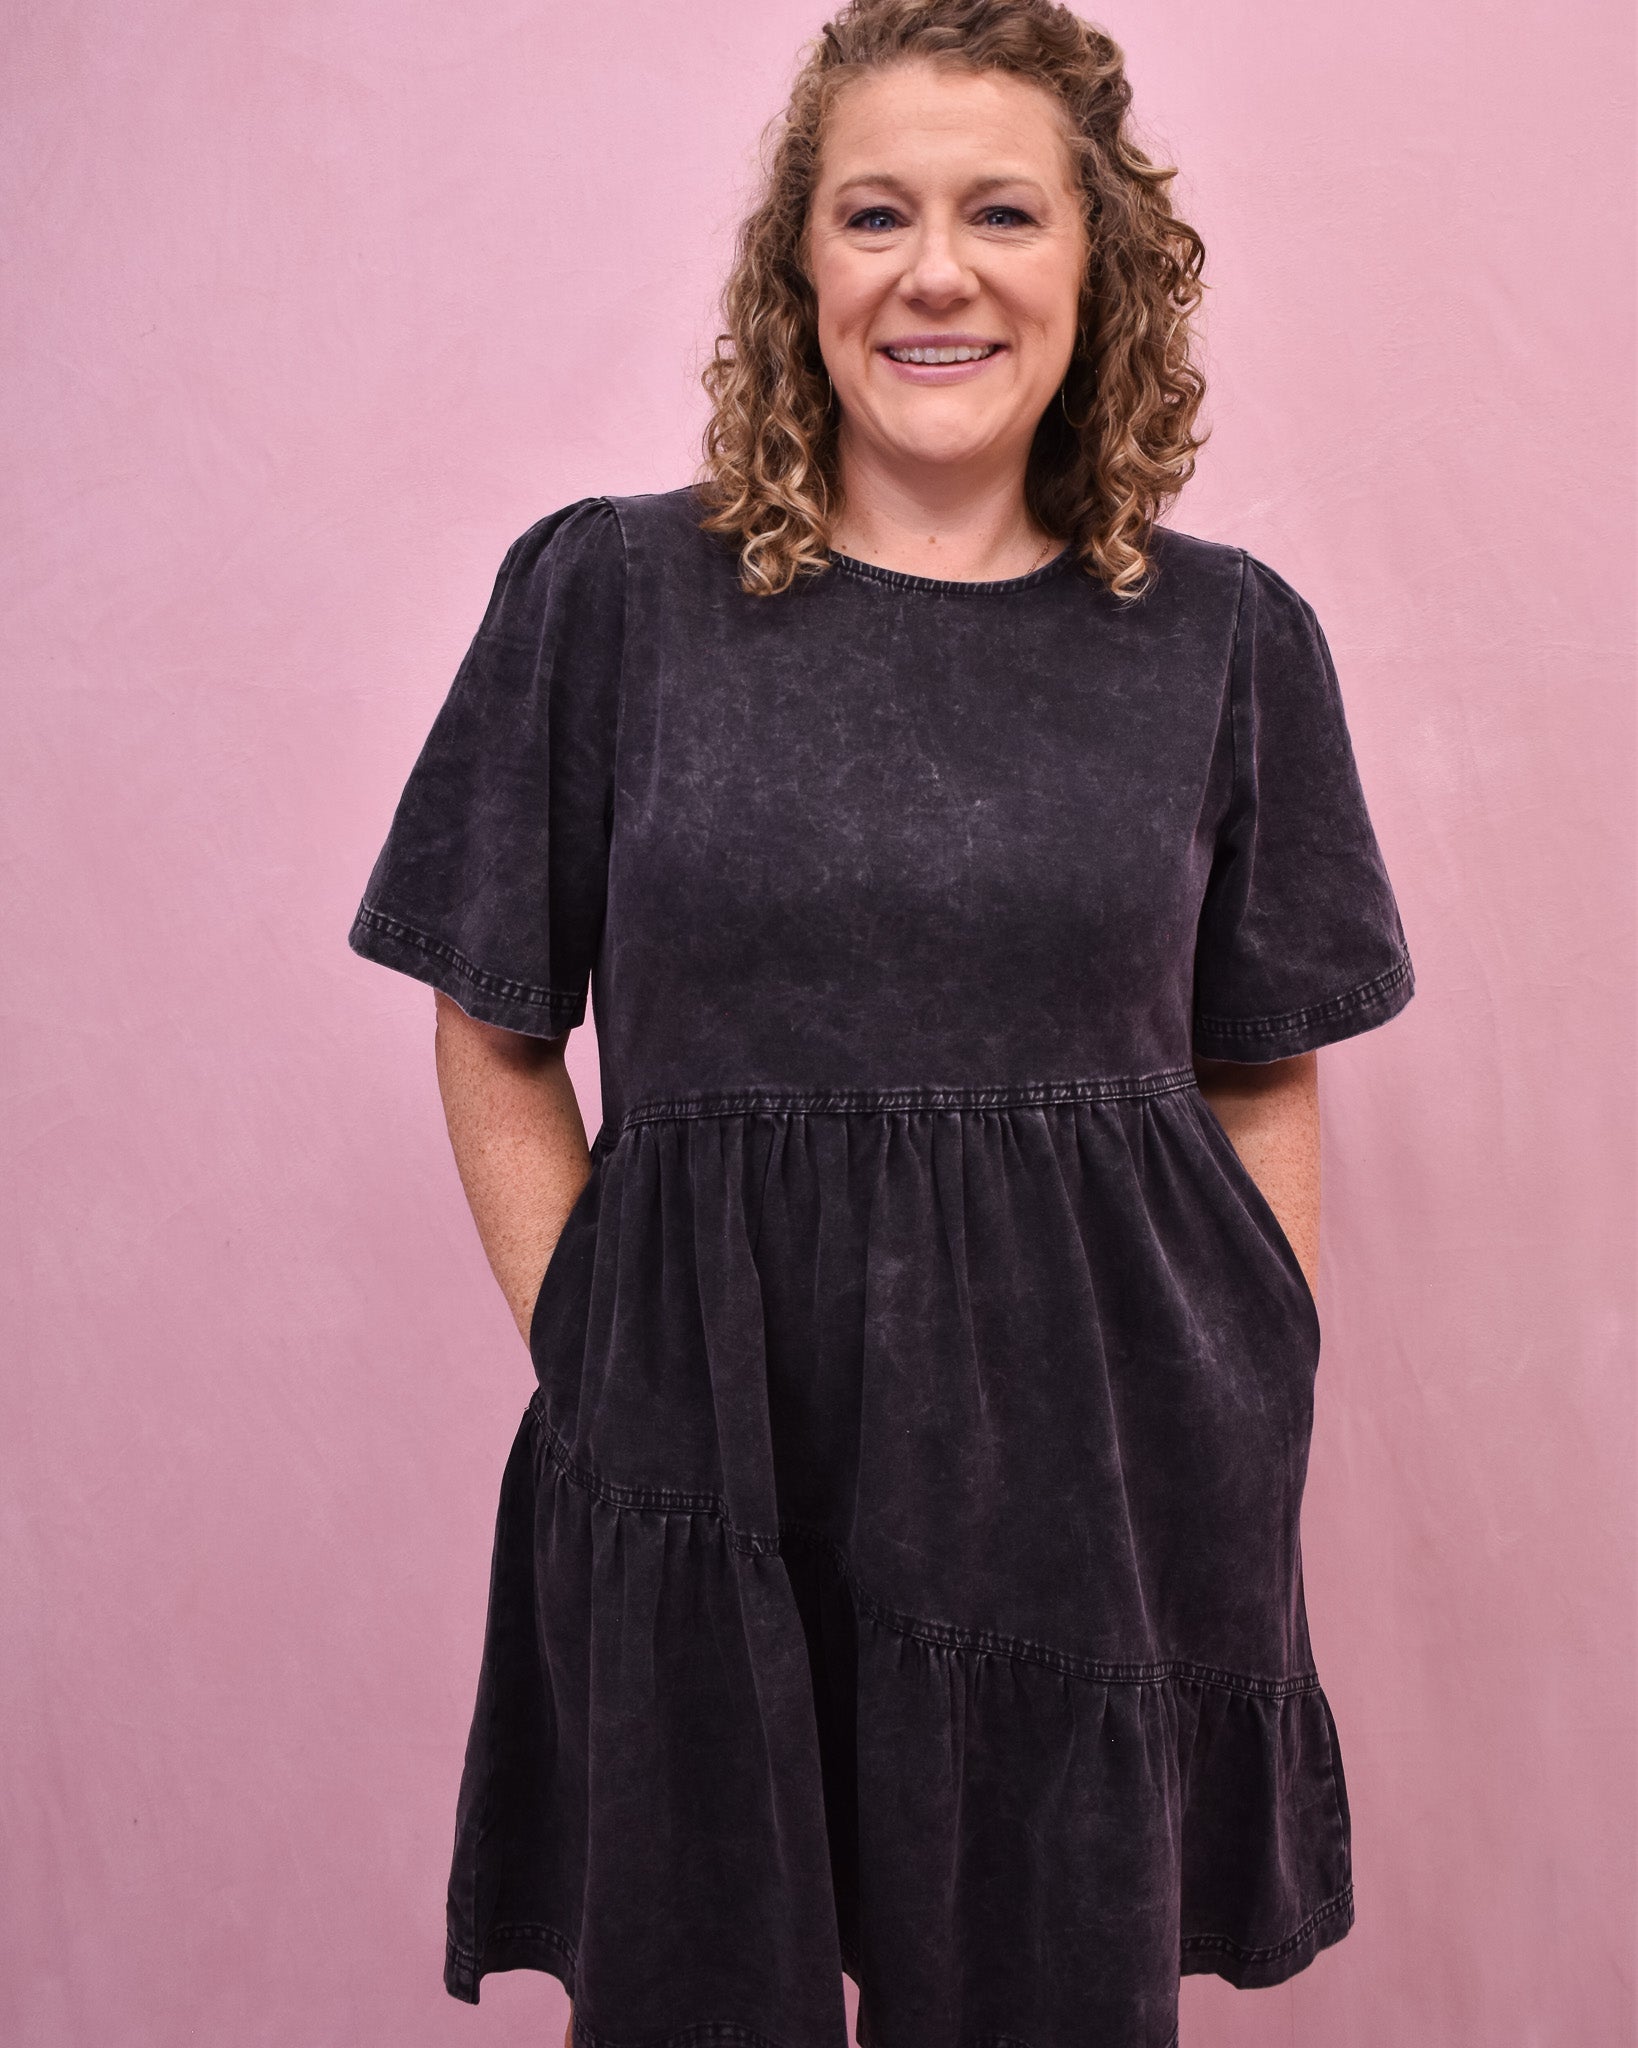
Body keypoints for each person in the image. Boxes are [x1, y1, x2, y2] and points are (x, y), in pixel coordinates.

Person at [346, 1, 1416, 2042]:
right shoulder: (610, 602)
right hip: (705, 1450)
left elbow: (1263, 1057)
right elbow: (489, 1022)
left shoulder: (1227, 642)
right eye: (875, 213)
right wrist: (604, 1352)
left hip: (1094, 1476)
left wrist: (1243, 1376)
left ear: (1096, 270)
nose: (938, 268)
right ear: (799, 271)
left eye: (1003, 210)